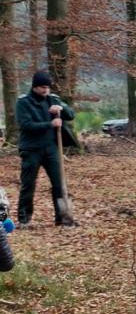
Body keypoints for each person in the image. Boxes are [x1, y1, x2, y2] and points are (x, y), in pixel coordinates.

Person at [15, 71, 77, 226]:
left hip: (51, 148)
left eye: (47, 87)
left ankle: (63, 217)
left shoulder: (53, 99)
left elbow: (71, 115)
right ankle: (24, 219)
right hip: (31, 149)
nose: (46, 90)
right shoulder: (23, 102)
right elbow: (26, 125)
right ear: (35, 87)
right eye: (42, 87)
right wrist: (50, 124)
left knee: (59, 183)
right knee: (28, 184)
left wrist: (61, 109)